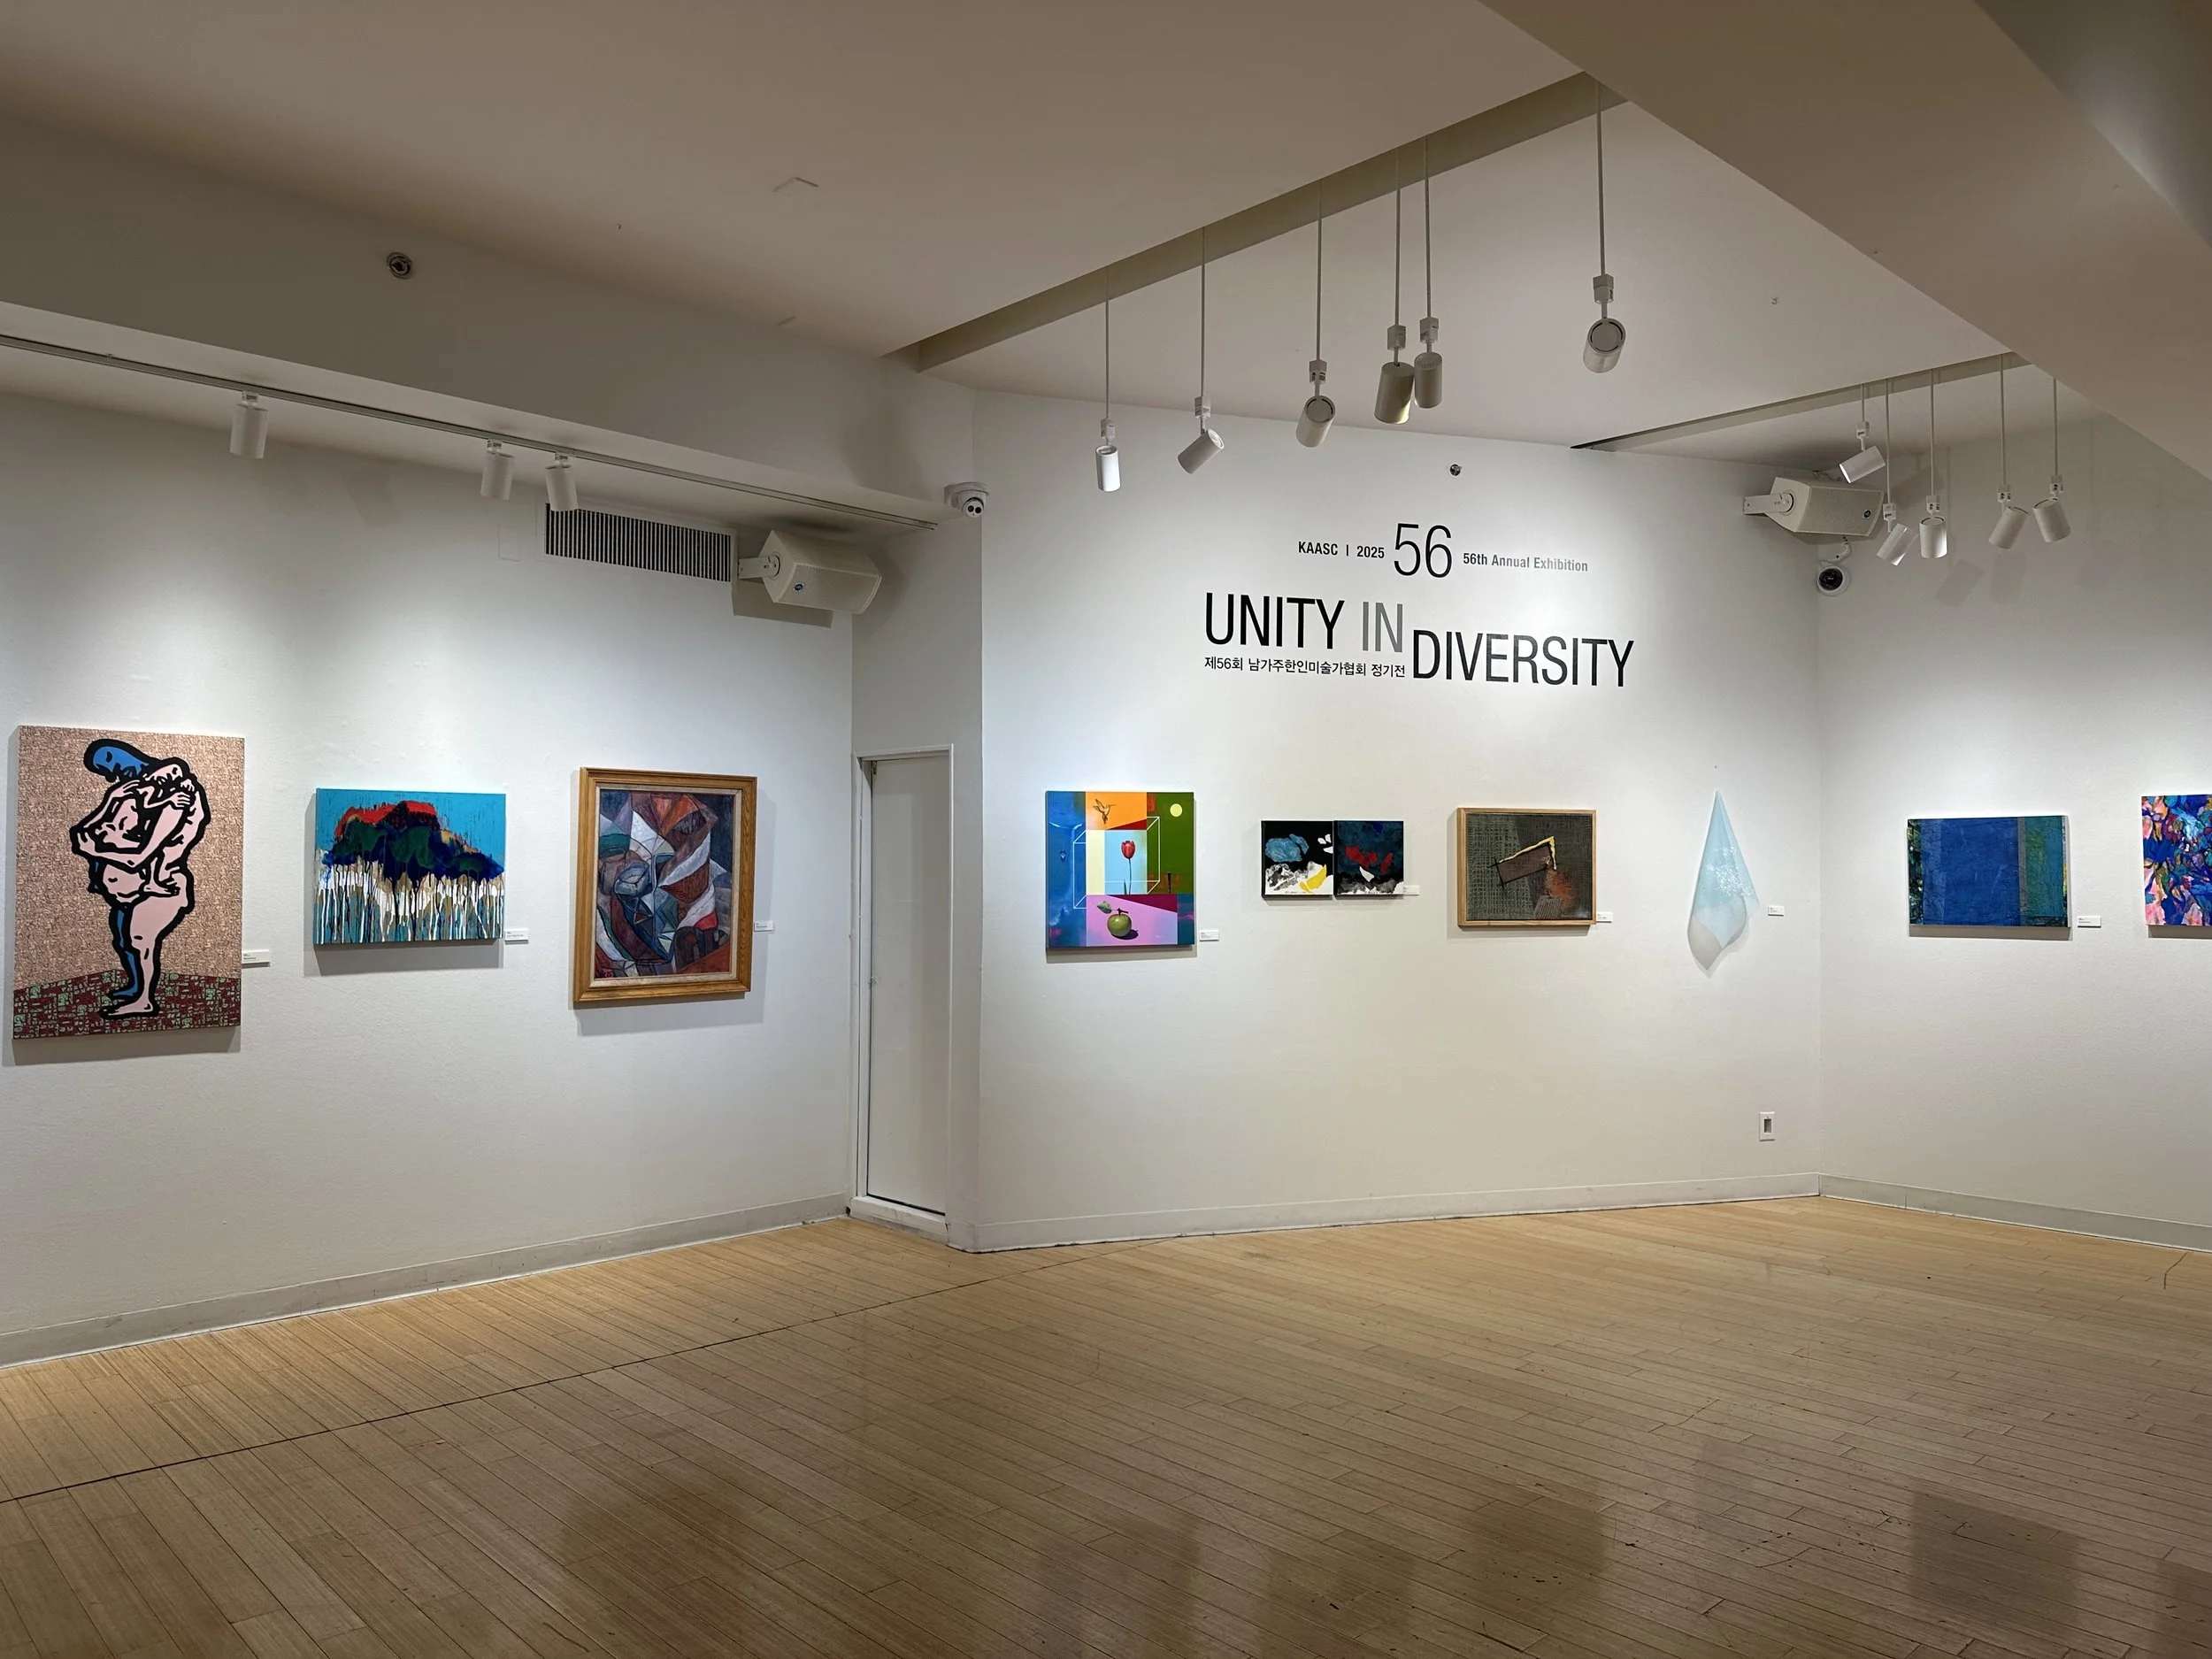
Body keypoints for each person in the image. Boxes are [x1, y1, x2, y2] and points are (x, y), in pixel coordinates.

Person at [68, 740, 210, 1018]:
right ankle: (136, 987)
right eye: (105, 770)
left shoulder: (177, 799)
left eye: (108, 762)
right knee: (124, 941)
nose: (112, 773)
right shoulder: (135, 790)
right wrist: (112, 800)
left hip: (159, 884)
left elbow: (140, 856)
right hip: (132, 886)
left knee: (140, 938)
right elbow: (86, 832)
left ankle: (144, 999)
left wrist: (97, 850)